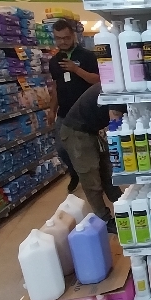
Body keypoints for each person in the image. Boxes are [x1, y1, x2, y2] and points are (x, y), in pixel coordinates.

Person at [59, 83, 123, 230]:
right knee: (91, 178)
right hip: (77, 132)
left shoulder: (118, 84)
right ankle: (105, 220)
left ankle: (124, 205)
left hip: (92, 130)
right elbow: (115, 122)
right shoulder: (117, 88)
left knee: (107, 172)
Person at [48, 19, 100, 193]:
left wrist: (76, 69)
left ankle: (96, 180)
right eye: (58, 38)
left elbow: (98, 80)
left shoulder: (87, 56)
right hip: (64, 113)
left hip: (85, 114)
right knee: (62, 149)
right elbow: (56, 87)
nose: (63, 41)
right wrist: (52, 110)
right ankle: (74, 173)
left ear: (73, 36)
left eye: (66, 38)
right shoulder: (54, 61)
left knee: (90, 150)